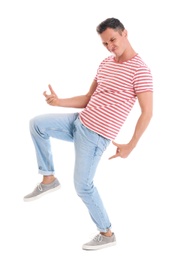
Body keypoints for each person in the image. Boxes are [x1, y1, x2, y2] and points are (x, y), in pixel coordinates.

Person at [24, 17, 153, 250]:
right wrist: (59, 102)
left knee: (83, 185)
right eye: (105, 43)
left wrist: (131, 145)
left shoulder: (140, 70)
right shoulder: (105, 63)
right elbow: (87, 98)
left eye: (112, 40)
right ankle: (49, 178)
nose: (110, 46)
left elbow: (147, 112)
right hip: (78, 122)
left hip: (95, 137)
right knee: (37, 124)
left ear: (125, 33)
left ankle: (106, 233)